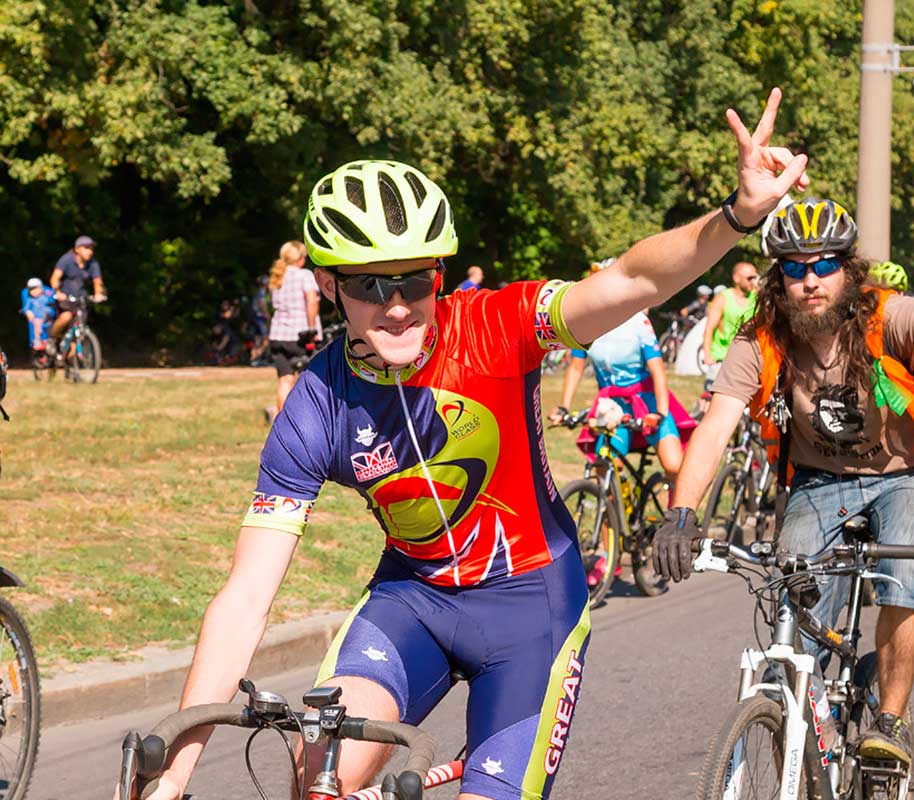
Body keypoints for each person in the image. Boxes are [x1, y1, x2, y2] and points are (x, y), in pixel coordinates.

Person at [135, 88, 812, 800]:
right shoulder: (316, 402)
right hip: (412, 600)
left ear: (440, 276)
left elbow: (632, 279)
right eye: (371, 284)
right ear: (330, 286)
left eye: (414, 280)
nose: (397, 304)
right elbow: (245, 598)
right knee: (322, 774)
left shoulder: (498, 325)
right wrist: (173, 775)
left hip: (532, 607)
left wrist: (737, 216)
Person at [653, 196, 914, 768]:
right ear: (780, 278)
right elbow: (718, 421)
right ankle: (805, 724)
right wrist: (682, 512)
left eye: (824, 264)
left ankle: (891, 724)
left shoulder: (891, 316)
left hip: (906, 475)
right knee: (790, 599)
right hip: (821, 481)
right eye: (795, 268)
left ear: (849, 268)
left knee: (903, 573)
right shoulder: (764, 335)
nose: (811, 280)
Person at [550, 305, 694, 584]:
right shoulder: (588, 322)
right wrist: (563, 407)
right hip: (613, 405)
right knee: (603, 469)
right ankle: (609, 553)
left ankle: (676, 529)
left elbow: (658, 372)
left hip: (648, 400)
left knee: (674, 465)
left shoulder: (638, 321)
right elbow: (576, 366)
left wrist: (661, 413)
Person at [266, 240, 321, 418]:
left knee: (285, 379)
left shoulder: (277, 276)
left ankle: (281, 420)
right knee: (308, 378)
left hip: (277, 334)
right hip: (299, 334)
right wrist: (312, 328)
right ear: (300, 258)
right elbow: (311, 300)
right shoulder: (304, 275)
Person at [49, 235, 106, 340]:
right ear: (77, 249)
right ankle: (51, 338)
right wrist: (57, 292)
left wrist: (98, 294)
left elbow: (97, 282)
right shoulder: (66, 260)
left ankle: (74, 351)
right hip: (65, 298)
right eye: (86, 248)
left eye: (91, 248)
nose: (90, 252)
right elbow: (54, 278)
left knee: (78, 335)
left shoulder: (93, 263)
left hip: (81, 299)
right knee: (66, 317)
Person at [20, 278, 55, 356]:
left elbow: (53, 303)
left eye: (36, 288)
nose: (34, 291)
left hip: (48, 316)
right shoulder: (30, 300)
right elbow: (26, 308)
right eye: (31, 289)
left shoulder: (46, 296)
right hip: (37, 318)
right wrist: (27, 312)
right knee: (36, 322)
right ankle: (37, 341)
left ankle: (47, 341)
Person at [249, 275, 271, 364]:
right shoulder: (261, 292)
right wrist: (267, 315)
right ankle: (255, 357)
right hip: (260, 318)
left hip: (256, 318)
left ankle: (253, 359)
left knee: (257, 340)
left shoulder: (259, 292)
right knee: (266, 340)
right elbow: (261, 304)